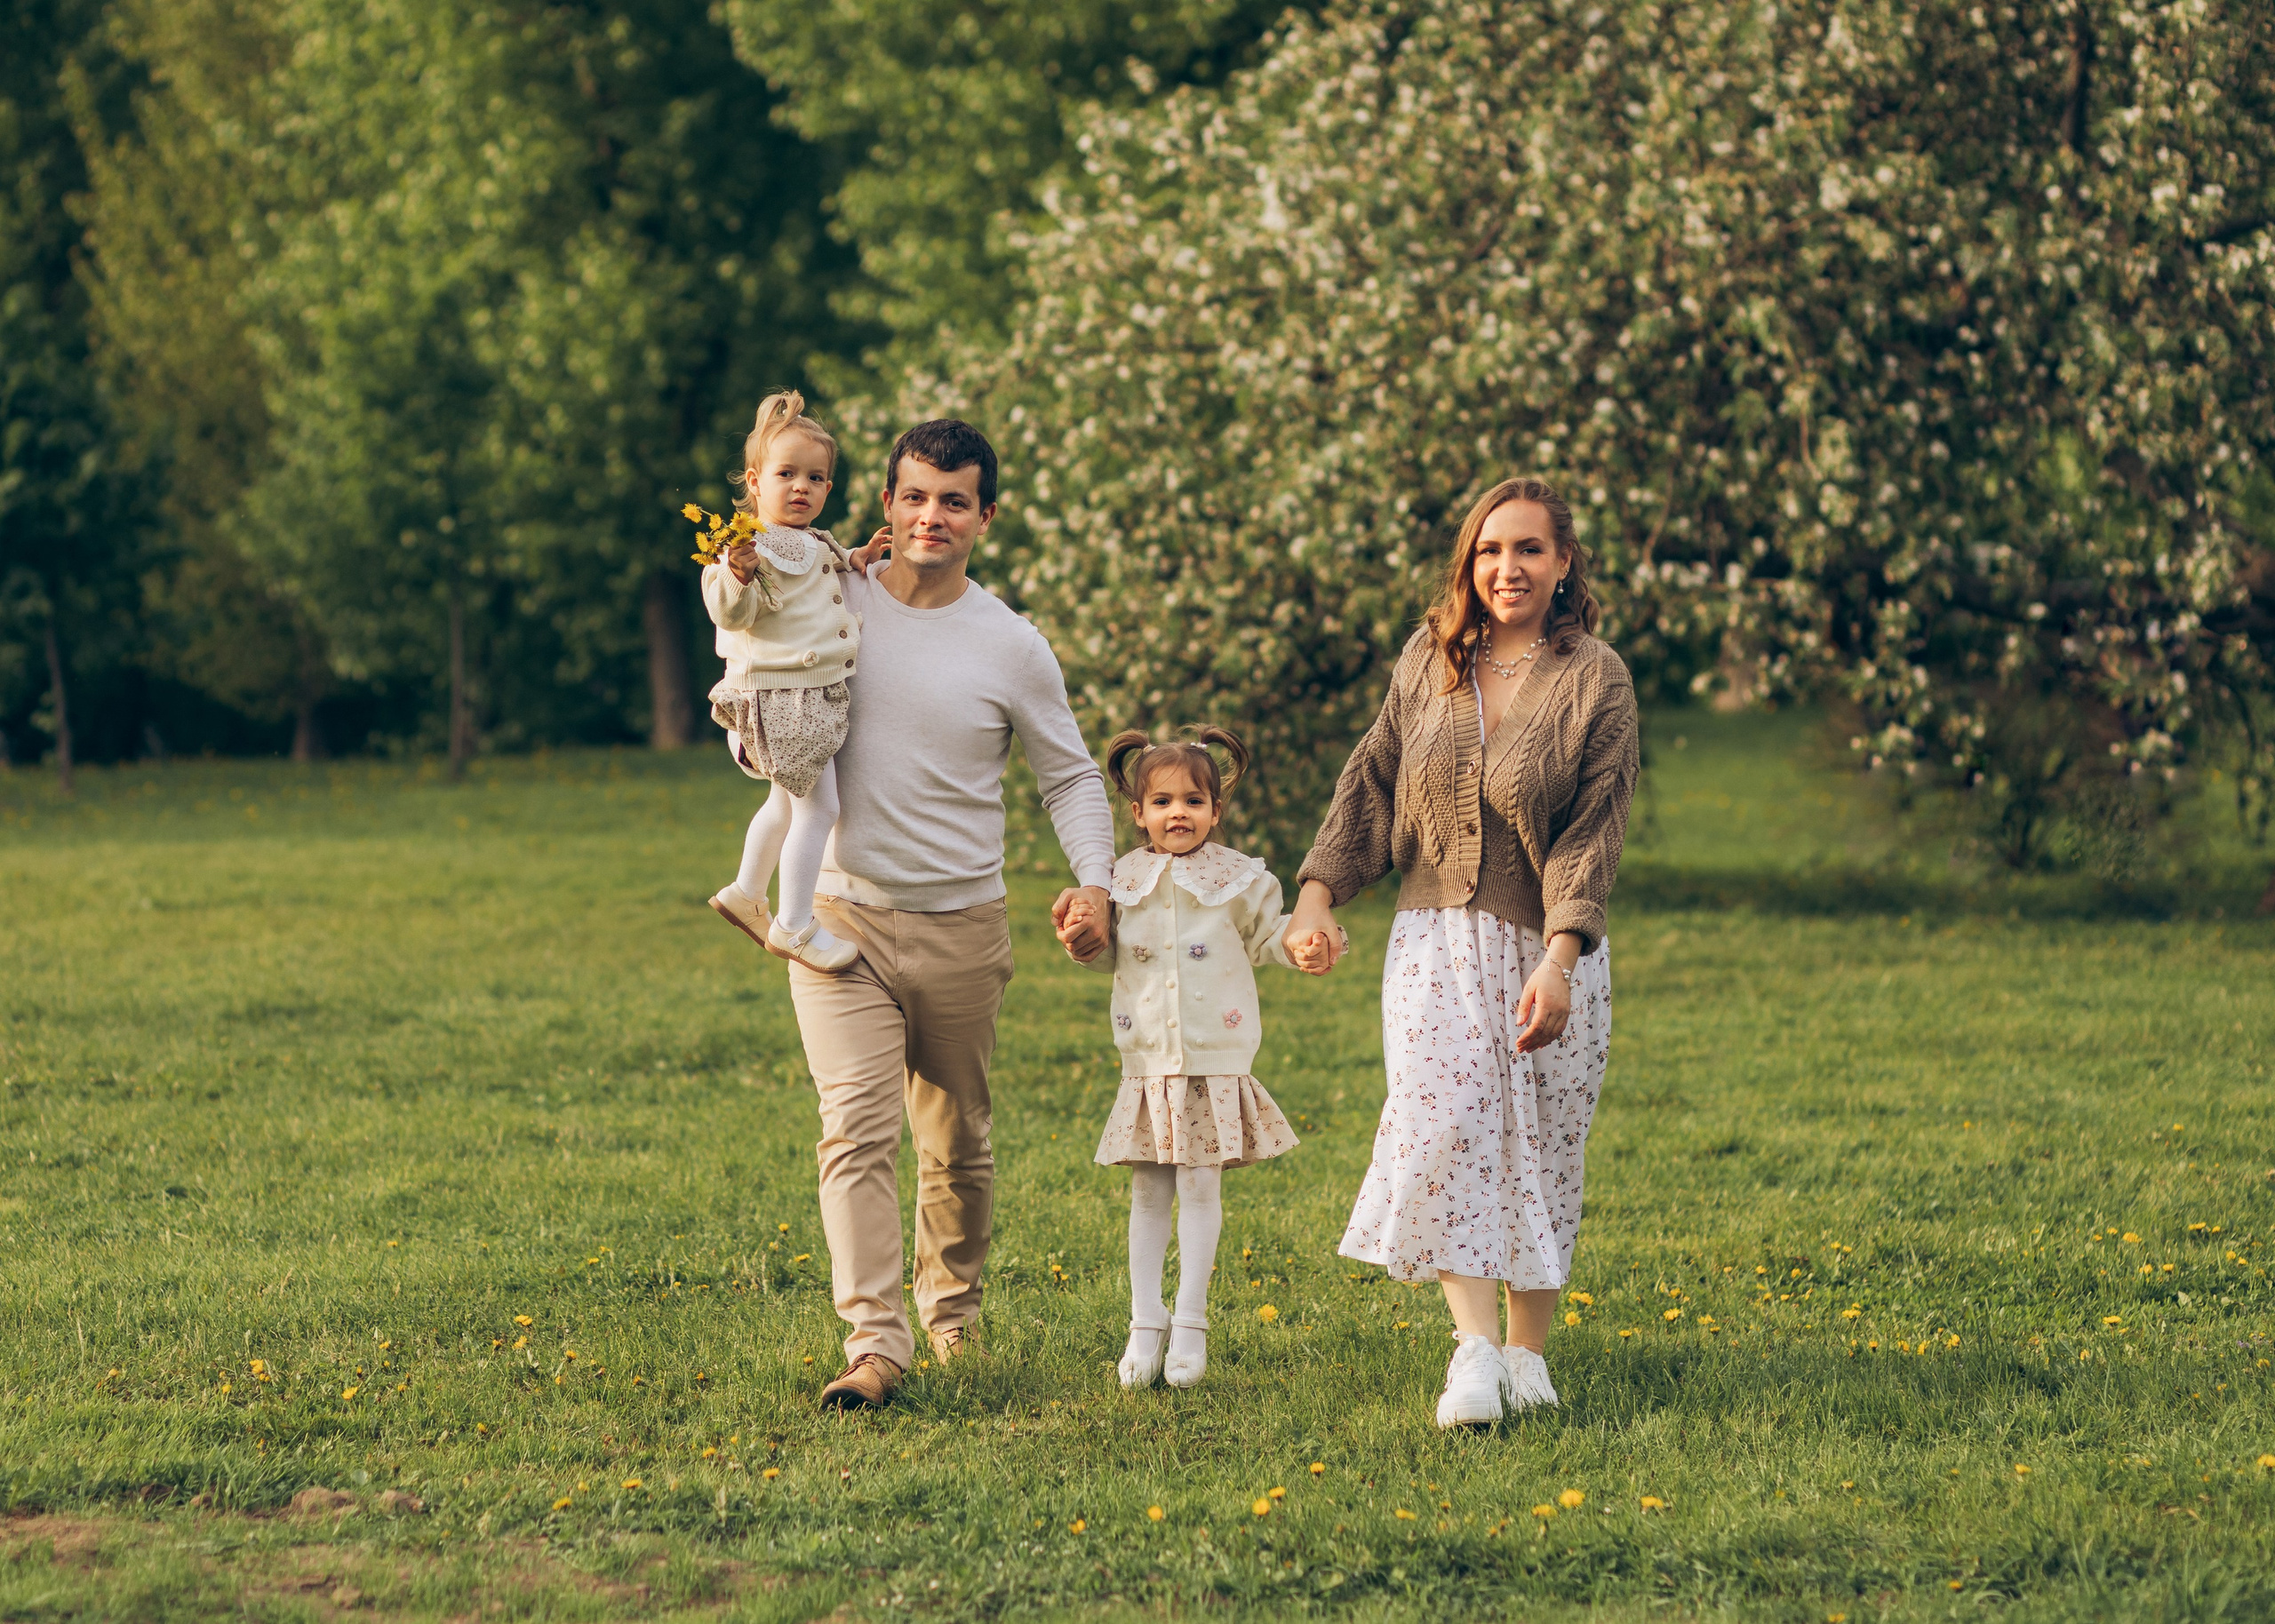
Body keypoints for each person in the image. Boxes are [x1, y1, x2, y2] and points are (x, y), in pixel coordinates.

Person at [1284, 476, 1639, 1428]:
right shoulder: (1430, 656)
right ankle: (1474, 1351)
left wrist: (1560, 958)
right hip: (1434, 941)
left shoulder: (1596, 676)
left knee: (1544, 1142)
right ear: (1467, 563)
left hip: (1547, 951)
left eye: (1528, 549)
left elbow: (1594, 830)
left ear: (1563, 562)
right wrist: (1317, 894)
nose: (1506, 568)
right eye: (1489, 550)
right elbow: (1372, 780)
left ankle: (1528, 1356)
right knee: (1444, 1127)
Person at [789, 418, 1116, 1409]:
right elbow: (752, 640)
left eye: (954, 501)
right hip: (841, 917)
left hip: (964, 925)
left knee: (957, 1140)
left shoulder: (1010, 644)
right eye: (916, 497)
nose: (932, 516)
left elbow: (1070, 776)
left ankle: (953, 1314)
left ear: (985, 516)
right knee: (854, 1128)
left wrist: (1096, 883)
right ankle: (874, 1345)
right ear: (887, 504)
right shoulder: (833, 599)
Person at [1077, 726, 1313, 1389]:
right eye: (1162, 802)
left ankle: (1191, 1322)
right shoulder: (1120, 881)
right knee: (1149, 1192)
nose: (1177, 813)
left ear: (1216, 809)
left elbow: (1269, 938)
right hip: (1149, 1064)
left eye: (1193, 801)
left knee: (1201, 1187)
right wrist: (1082, 940)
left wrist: (1304, 942)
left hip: (1214, 1060)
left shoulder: (1239, 880)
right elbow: (1106, 957)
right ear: (1138, 812)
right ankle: (1144, 1321)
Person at [701, 390, 880, 974]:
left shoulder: (811, 539)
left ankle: (745, 892)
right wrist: (737, 574)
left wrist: (859, 557)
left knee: (784, 803)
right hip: (783, 700)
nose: (801, 487)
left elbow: (825, 563)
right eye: (787, 474)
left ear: (828, 488)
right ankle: (795, 923)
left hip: (804, 698)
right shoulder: (747, 547)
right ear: (756, 482)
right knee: (819, 809)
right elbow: (731, 612)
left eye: (815, 477)